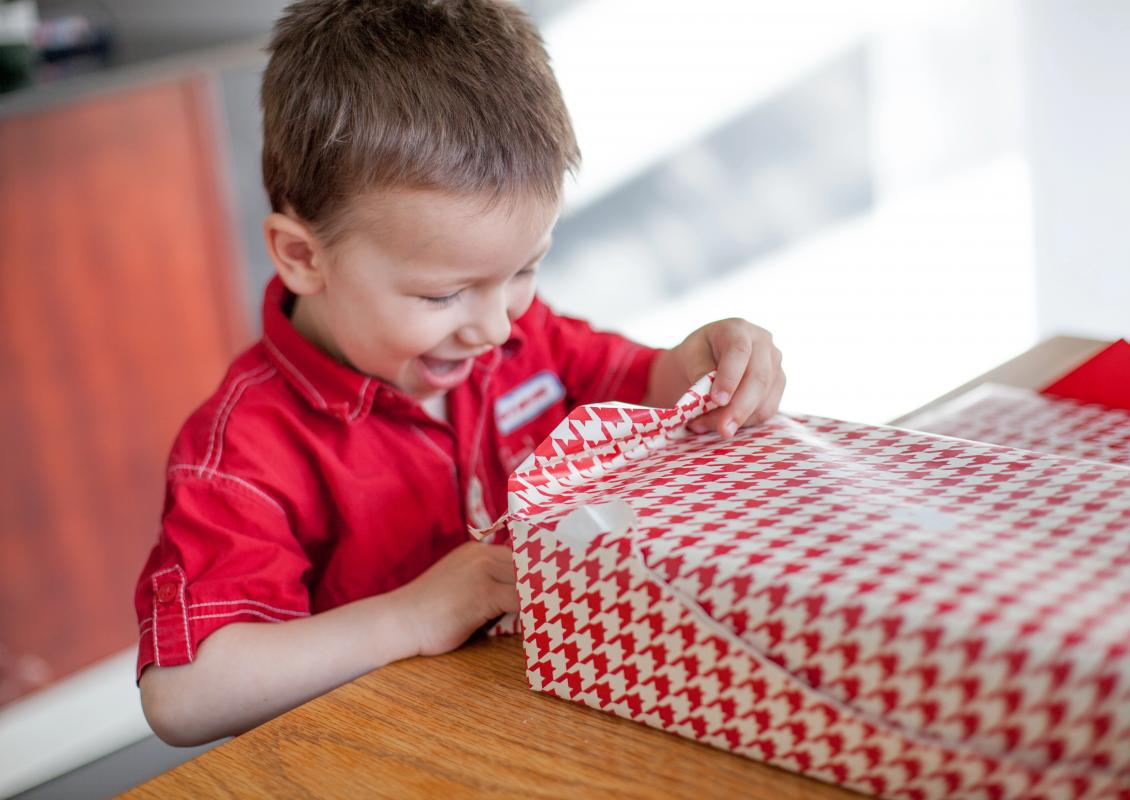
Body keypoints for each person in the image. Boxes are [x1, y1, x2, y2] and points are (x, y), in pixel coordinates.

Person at [135, 0, 785, 747]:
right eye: (443, 294)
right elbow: (183, 697)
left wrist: (711, 360)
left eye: (524, 270)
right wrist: (414, 614)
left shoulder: (518, 337)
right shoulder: (243, 451)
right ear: (303, 257)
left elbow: (653, 392)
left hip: (543, 725)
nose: (496, 327)